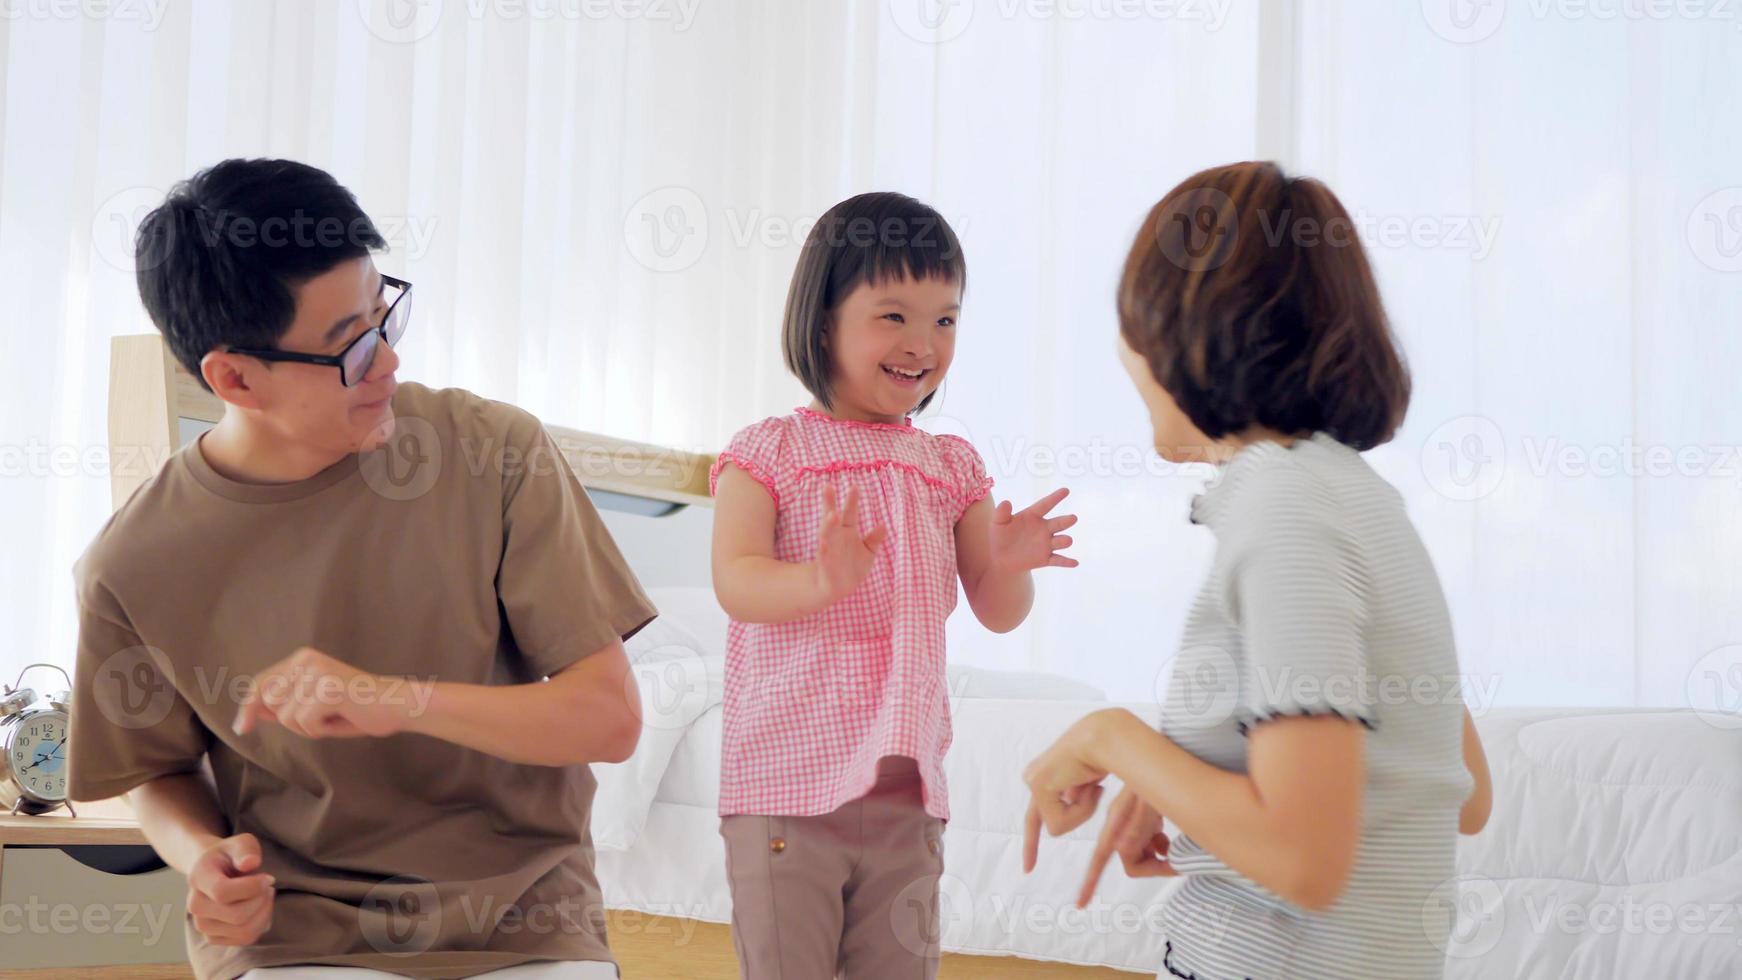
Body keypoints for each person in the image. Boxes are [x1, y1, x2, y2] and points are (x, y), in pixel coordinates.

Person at [69, 158, 655, 980]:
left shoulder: (494, 452)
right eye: (349, 347)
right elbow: (154, 771)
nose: (387, 365)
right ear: (233, 378)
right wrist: (200, 855)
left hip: (523, 925)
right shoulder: (131, 563)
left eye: (384, 317)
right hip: (298, 938)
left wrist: (399, 701)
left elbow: (610, 719)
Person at [1021, 161, 1494, 980]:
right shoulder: (1359, 500)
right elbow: (1459, 793)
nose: (1124, 352)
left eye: (1133, 322)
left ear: (1188, 330)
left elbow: (1306, 858)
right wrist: (1190, 794)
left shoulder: (1285, 515)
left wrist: (1115, 740)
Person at [708, 191, 1078, 977]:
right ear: (821, 323)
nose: (924, 343)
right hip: (786, 786)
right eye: (894, 316)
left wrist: (1009, 568)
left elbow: (998, 610)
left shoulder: (950, 467)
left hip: (907, 792)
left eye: (945, 320)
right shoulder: (767, 452)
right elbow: (737, 583)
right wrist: (819, 579)